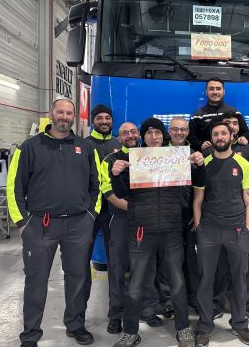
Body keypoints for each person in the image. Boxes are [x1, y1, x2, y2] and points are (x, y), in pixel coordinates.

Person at [7, 98, 101, 347]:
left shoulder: (86, 147)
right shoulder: (29, 147)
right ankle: (30, 334)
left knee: (77, 277)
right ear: (51, 114)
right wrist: (23, 222)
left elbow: (97, 185)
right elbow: (14, 186)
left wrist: (91, 216)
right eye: (60, 112)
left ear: (74, 117)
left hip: (78, 224)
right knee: (36, 279)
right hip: (40, 225)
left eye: (69, 113)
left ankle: (76, 325)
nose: (64, 116)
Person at [111, 117, 203, 347]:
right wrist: (116, 173)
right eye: (149, 133)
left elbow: (198, 184)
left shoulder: (176, 158)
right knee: (136, 283)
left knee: (177, 281)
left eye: (158, 132)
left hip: (171, 229)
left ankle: (183, 328)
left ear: (164, 136)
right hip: (141, 231)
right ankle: (130, 331)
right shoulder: (135, 159)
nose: (154, 137)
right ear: (143, 136)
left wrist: (199, 165)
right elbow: (120, 192)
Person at [192, 121, 249, 347]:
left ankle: (240, 324)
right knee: (206, 280)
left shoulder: (242, 164)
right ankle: (204, 325)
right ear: (211, 139)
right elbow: (197, 200)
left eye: (223, 133)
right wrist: (199, 229)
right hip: (208, 231)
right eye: (216, 134)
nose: (220, 137)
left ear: (231, 136)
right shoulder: (204, 164)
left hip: (237, 231)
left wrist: (247, 231)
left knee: (239, 279)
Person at [207, 112, 249, 324]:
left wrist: (241, 195)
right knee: (220, 262)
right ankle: (216, 302)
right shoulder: (209, 153)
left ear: (235, 131)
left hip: (243, 213)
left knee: (246, 260)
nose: (229, 128)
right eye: (225, 125)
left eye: (233, 124)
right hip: (217, 219)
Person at [101, 122, 141, 336]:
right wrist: (134, 209)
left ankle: (145, 310)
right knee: (117, 269)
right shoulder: (110, 160)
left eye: (133, 132)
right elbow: (108, 192)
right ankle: (115, 315)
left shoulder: (148, 156)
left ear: (139, 134)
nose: (130, 135)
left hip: (146, 221)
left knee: (144, 269)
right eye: (125, 133)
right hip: (121, 219)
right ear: (119, 137)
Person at [84, 104, 122, 331]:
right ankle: (78, 318)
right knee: (81, 265)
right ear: (93, 120)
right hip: (89, 211)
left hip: (114, 210)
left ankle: (115, 316)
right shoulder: (84, 145)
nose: (104, 121)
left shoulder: (119, 143)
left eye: (108, 117)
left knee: (116, 264)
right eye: (100, 118)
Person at [168, 116, 200, 312]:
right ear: (169, 131)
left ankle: (194, 297)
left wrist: (196, 214)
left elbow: (202, 188)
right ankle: (169, 300)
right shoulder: (158, 154)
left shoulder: (195, 156)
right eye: (175, 129)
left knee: (191, 259)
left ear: (188, 132)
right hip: (166, 217)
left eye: (183, 129)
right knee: (168, 260)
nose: (179, 133)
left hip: (188, 217)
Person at [188, 77, 249, 152]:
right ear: (206, 92)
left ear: (223, 92)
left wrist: (244, 138)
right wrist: (200, 145)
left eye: (218, 89)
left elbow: (245, 132)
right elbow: (190, 136)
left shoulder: (234, 112)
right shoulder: (197, 115)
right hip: (207, 154)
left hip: (233, 154)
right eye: (211, 89)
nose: (215, 92)